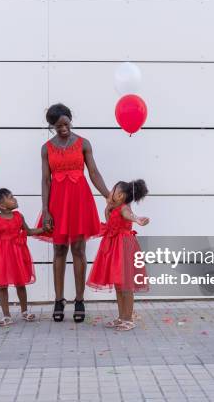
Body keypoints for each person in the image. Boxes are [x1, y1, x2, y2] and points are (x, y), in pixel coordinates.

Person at [35, 103, 110, 323]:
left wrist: (108, 195)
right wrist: (46, 210)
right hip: (57, 202)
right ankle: (59, 300)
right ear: (52, 126)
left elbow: (94, 172)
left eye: (66, 124)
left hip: (79, 200)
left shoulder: (84, 143)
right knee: (59, 249)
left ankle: (79, 300)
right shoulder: (46, 148)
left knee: (79, 248)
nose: (63, 129)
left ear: (70, 120)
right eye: (58, 126)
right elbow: (45, 180)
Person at [86, 179, 150, 331]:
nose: (110, 192)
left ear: (120, 196)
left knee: (126, 284)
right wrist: (107, 211)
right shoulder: (113, 208)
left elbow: (129, 215)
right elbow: (110, 225)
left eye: (113, 190)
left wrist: (138, 220)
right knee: (119, 285)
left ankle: (128, 319)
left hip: (124, 246)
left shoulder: (123, 208)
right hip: (114, 245)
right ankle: (122, 317)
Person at [0, 188, 48, 327]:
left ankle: (24, 311)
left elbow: (28, 231)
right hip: (2, 256)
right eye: (11, 197)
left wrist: (44, 229)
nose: (15, 199)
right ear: (2, 206)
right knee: (2, 285)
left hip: (18, 254)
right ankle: (6, 316)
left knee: (20, 283)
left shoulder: (18, 216)